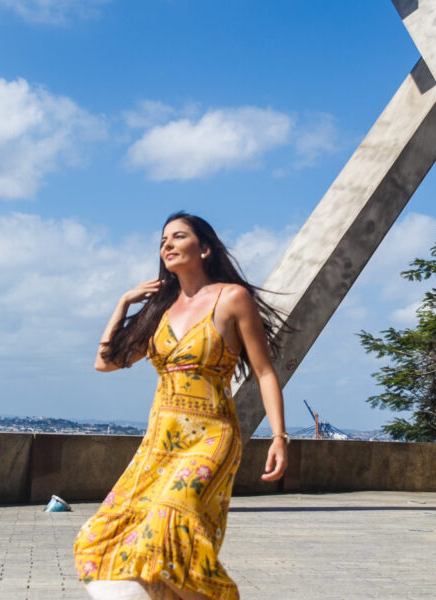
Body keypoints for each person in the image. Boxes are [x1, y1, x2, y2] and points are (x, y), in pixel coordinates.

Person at [73, 212, 289, 600]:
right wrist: (123, 304)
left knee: (170, 520)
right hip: (160, 442)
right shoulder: (160, 310)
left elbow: (265, 372)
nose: (167, 245)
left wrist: (278, 436)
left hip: (211, 436)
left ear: (204, 248)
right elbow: (105, 362)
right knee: (104, 533)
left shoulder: (231, 298)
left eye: (178, 237)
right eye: (162, 241)